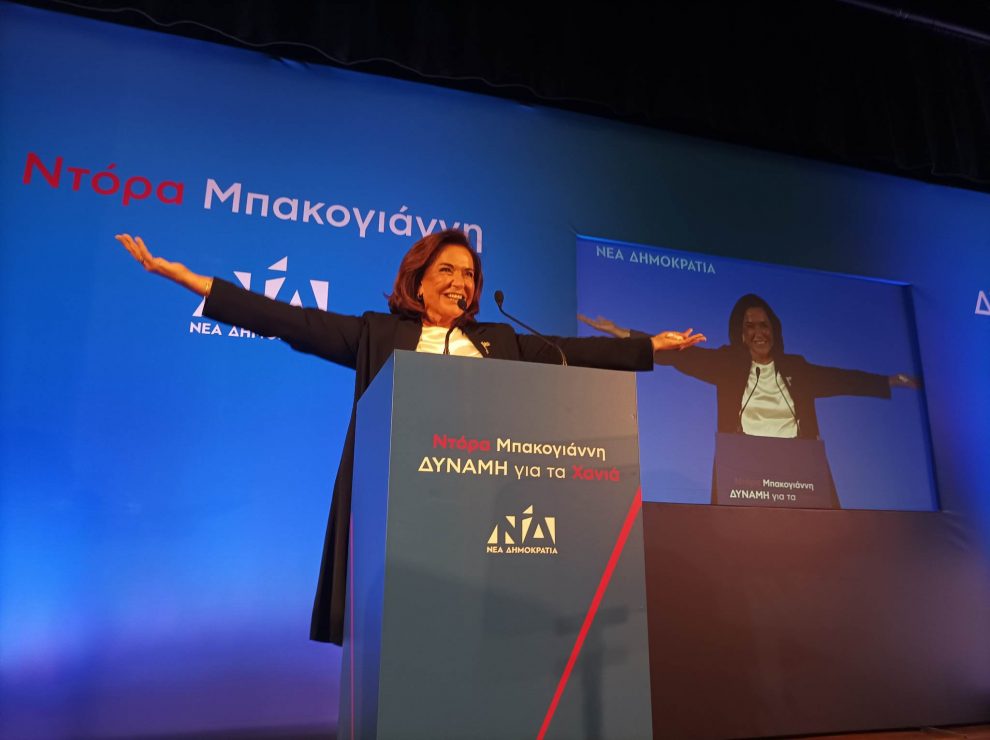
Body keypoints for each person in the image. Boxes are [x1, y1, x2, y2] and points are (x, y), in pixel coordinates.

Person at [116, 229, 706, 645]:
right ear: (418, 282)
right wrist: (189, 280)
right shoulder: (379, 335)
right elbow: (289, 319)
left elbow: (570, 352)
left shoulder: (500, 341)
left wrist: (649, 347)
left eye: (468, 274)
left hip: (483, 511)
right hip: (399, 511)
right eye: (446, 270)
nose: (460, 281)